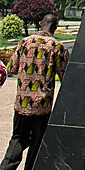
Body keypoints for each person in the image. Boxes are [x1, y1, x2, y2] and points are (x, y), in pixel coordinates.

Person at [0, 13, 69, 170]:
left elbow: (11, 68)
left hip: (22, 103)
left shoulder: (25, 42)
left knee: (17, 138)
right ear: (55, 27)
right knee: (37, 143)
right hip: (42, 106)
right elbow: (66, 76)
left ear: (40, 24)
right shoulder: (57, 47)